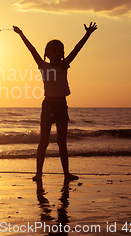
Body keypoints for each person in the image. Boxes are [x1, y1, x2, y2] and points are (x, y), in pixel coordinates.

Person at [13, 23, 97, 182]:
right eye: (55, 51)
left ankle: (66, 173)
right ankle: (38, 174)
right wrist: (21, 34)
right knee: (43, 142)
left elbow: (77, 49)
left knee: (61, 142)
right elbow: (31, 49)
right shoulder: (43, 65)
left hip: (61, 106)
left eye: (61, 51)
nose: (58, 53)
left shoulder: (65, 65)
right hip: (48, 106)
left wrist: (88, 34)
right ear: (47, 53)